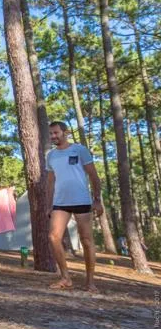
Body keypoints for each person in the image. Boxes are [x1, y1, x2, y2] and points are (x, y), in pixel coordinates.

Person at [45, 121, 104, 293]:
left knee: (86, 240)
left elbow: (93, 175)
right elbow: (50, 182)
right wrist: (49, 204)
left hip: (81, 201)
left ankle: (90, 282)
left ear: (65, 133)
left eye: (56, 133)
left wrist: (97, 200)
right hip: (60, 203)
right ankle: (65, 278)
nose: (53, 136)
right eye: (51, 133)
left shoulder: (79, 150)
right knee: (53, 237)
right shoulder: (51, 155)